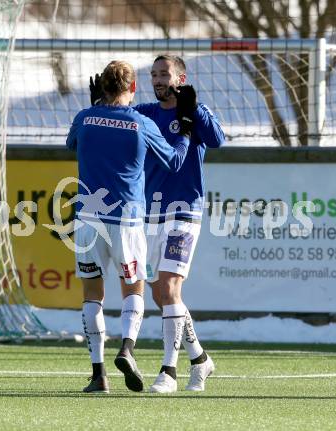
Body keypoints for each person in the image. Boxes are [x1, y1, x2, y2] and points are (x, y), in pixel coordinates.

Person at [66, 60, 193, 393]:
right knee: (133, 289)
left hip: (88, 218)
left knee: (92, 295)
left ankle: (98, 374)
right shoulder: (141, 123)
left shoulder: (84, 118)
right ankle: (127, 348)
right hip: (127, 218)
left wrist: (95, 109)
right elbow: (175, 162)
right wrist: (187, 133)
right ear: (132, 88)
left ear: (102, 87)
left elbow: (71, 145)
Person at [134, 55, 225, 393]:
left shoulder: (193, 111)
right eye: (154, 75)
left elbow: (217, 139)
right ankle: (200, 359)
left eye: (164, 74)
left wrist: (195, 109)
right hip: (149, 213)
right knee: (161, 294)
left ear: (180, 78)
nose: (158, 80)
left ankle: (168, 372)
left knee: (170, 287)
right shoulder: (145, 113)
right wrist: (102, 105)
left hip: (185, 211)